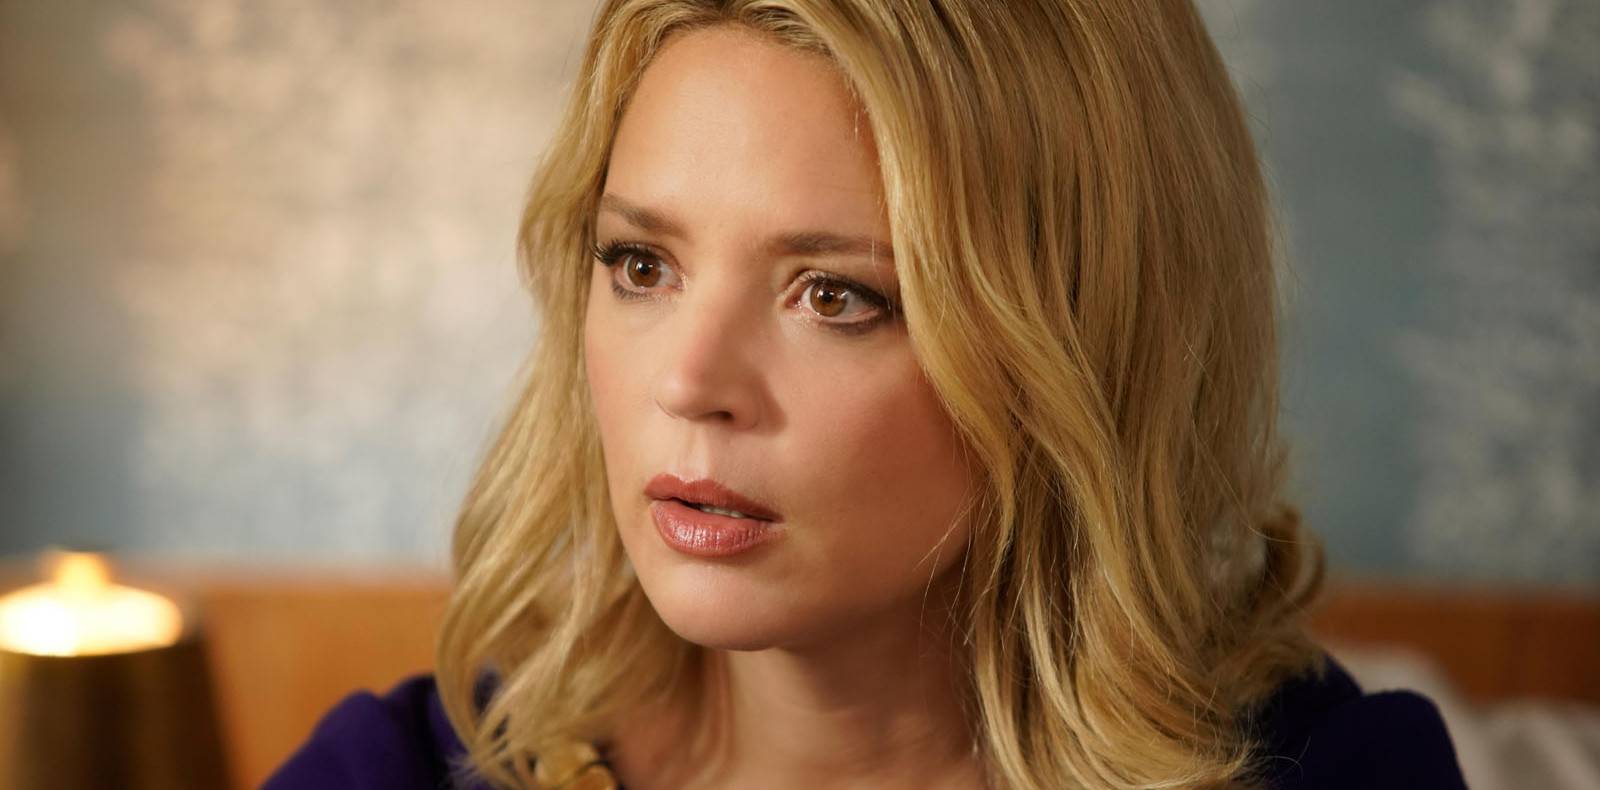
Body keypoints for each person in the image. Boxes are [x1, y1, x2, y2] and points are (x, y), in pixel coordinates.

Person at [268, 1, 1468, 788]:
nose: (688, 381)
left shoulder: (1330, 772)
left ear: (1076, 347)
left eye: (835, 295)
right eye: (641, 264)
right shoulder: (400, 770)